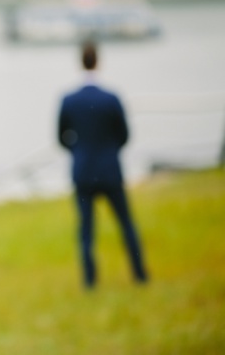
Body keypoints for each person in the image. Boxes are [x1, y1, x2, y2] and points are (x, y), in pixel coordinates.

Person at [58, 40, 149, 289]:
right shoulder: (111, 98)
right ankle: (140, 275)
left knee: (86, 230)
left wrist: (79, 152)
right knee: (126, 224)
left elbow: (61, 137)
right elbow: (124, 135)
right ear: (98, 60)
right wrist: (109, 151)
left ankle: (90, 282)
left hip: (83, 172)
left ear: (80, 62)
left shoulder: (68, 100)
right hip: (110, 171)